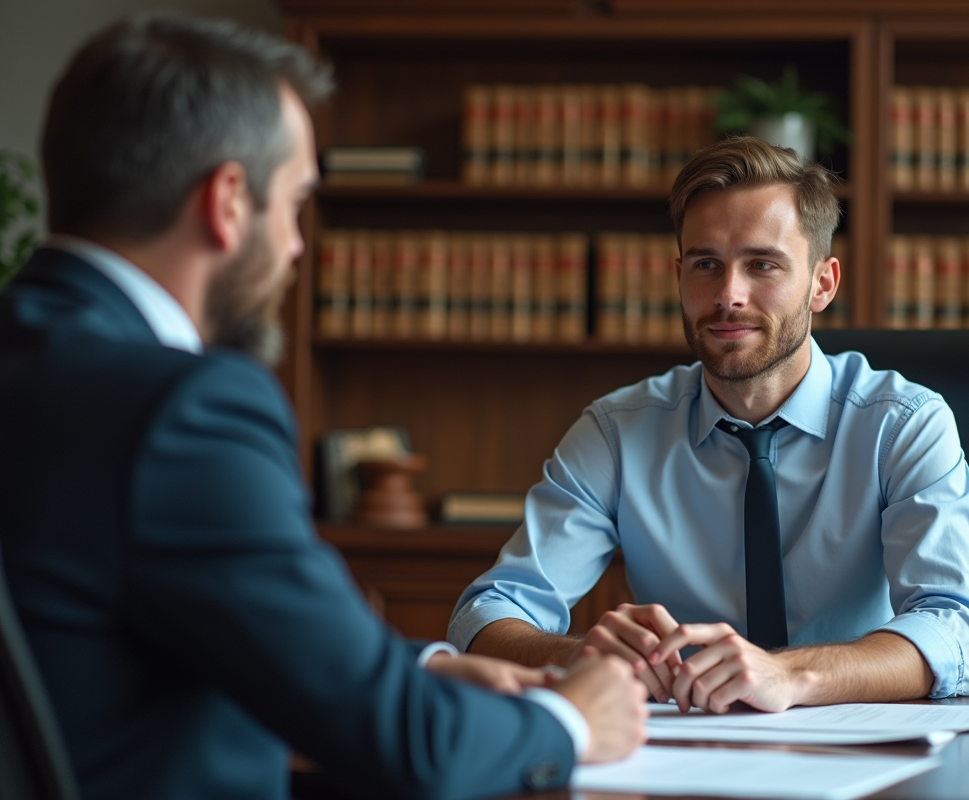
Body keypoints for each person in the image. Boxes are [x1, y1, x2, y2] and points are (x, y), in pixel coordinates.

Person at [0, 13, 645, 800]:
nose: (300, 247)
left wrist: (430, 666)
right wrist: (573, 721)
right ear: (229, 201)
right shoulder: (184, 409)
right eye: (296, 204)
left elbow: (155, 632)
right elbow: (412, 748)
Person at [451, 137, 969, 714]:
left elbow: (955, 629)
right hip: (685, 746)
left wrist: (788, 675)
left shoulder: (903, 425)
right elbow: (487, 613)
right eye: (707, 265)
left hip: (862, 753)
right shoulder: (616, 432)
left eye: (762, 264)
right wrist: (579, 654)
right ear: (679, 277)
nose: (728, 296)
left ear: (823, 284)